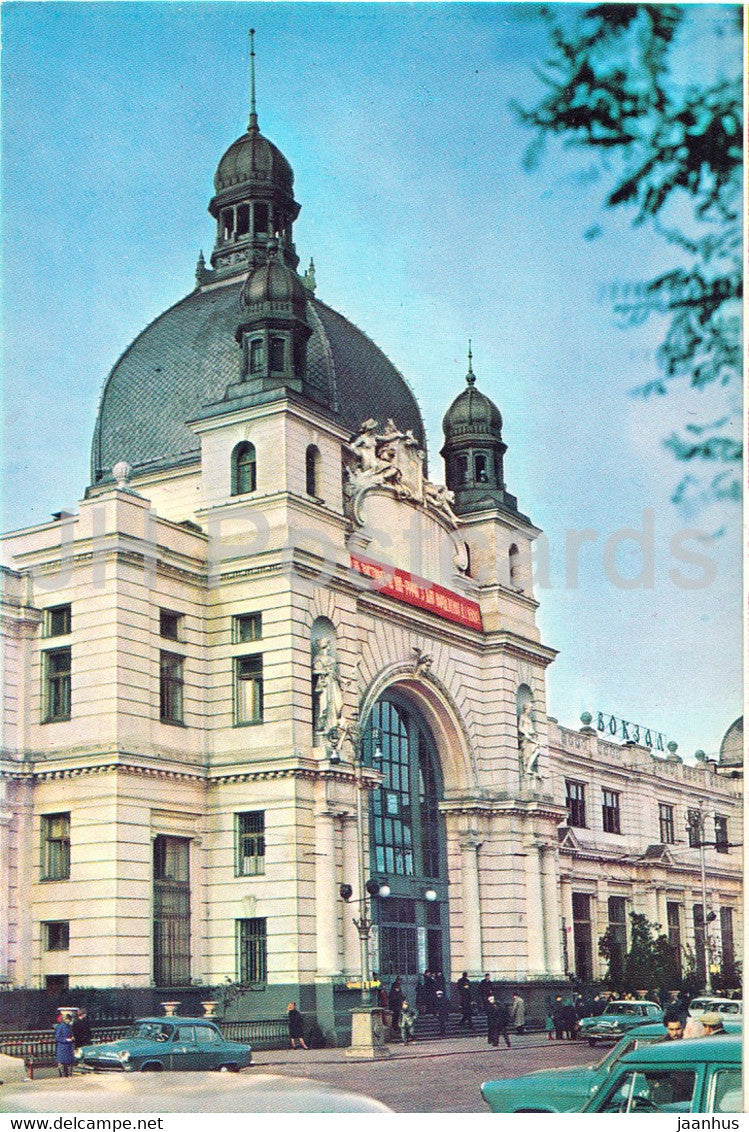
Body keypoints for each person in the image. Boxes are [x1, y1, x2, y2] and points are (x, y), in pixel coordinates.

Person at [55, 1012, 75, 1077]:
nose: (68, 1020)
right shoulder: (60, 1027)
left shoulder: (69, 1026)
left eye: (69, 1019)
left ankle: (69, 1074)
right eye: (66, 1019)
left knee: (69, 1062)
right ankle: (62, 1075)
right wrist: (65, 1040)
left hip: (69, 1046)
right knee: (62, 1062)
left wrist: (72, 1037)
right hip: (62, 1047)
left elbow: (71, 1034)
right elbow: (58, 1037)